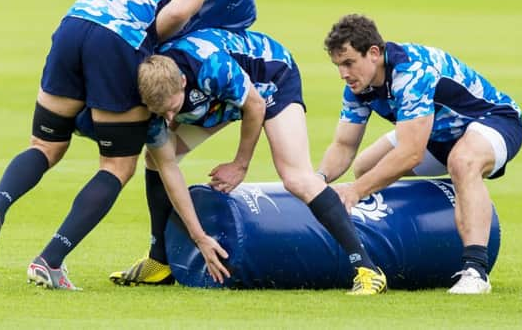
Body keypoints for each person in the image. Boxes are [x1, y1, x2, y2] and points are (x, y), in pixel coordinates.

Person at [0, 0, 255, 290]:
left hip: (75, 24)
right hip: (120, 41)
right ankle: (50, 260)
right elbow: (178, 12)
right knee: (117, 166)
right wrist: (150, 46)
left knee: (45, 145)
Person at [99, 28, 388, 294]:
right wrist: (199, 237)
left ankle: (367, 269)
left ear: (183, 82)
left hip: (270, 81)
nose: (171, 121)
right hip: (215, 101)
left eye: (173, 109)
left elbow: (254, 106)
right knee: (155, 158)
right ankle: (159, 262)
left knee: (296, 177)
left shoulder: (211, 67)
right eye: (163, 114)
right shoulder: (151, 99)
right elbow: (168, 168)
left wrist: (240, 164)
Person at [317, 14, 522, 295]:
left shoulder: (411, 72)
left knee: (462, 162)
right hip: (437, 134)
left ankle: (476, 271)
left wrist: (354, 192)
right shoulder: (357, 87)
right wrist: (317, 182)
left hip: (493, 120)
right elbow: (344, 146)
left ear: (374, 53)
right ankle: (402, 251)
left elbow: (411, 154)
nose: (343, 73)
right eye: (338, 66)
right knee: (367, 167)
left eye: (349, 63)